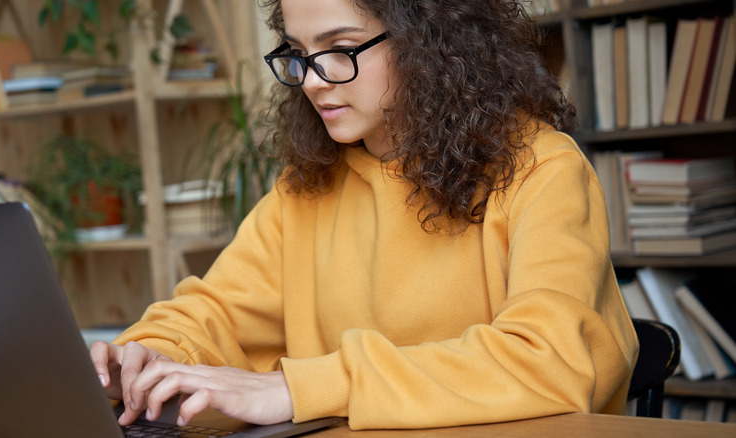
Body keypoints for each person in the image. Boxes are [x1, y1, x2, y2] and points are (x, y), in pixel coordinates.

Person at [90, 0, 638, 431]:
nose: (311, 79)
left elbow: (549, 364)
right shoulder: (305, 188)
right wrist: (147, 358)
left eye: (341, 48)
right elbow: (216, 314)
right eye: (298, 52)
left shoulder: (543, 169)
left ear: (432, 44)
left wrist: (297, 389)